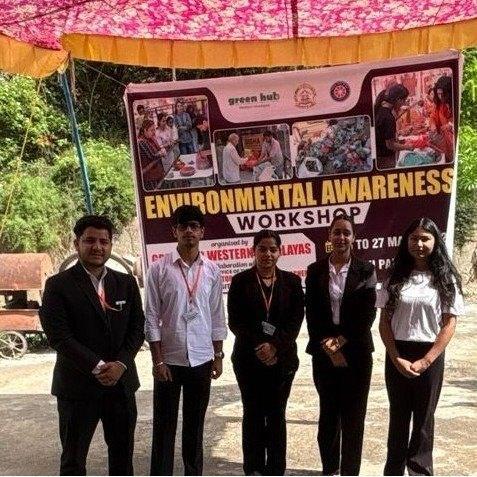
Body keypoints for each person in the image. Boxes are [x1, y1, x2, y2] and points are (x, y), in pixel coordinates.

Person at [39, 215, 145, 475]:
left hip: (120, 385)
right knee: (73, 460)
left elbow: (137, 329)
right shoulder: (58, 286)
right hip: (77, 387)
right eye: (90, 240)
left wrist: (120, 364)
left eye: (103, 241)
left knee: (122, 459)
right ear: (77, 243)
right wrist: (98, 366)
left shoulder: (126, 283)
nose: (97, 247)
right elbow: (59, 337)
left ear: (110, 245)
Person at [377, 217, 464, 476]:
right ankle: (393, 470)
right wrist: (396, 357)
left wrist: (427, 360)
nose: (419, 244)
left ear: (436, 242)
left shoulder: (446, 279)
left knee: (424, 419)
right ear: (406, 242)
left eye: (425, 238)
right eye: (414, 238)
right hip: (398, 354)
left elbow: (449, 324)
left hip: (430, 355)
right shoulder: (394, 277)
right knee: (398, 417)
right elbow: (384, 323)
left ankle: (420, 471)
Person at [145, 205, 227, 475]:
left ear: (202, 232)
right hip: (169, 361)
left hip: (202, 359)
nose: (189, 231)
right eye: (183, 226)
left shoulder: (212, 270)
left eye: (194, 226)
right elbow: (151, 317)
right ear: (175, 231)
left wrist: (218, 356)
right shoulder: (159, 269)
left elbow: (217, 316)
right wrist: (157, 361)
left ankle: (193, 472)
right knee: (164, 425)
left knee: (195, 425)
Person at [228, 230, 304, 476]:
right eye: (262, 249)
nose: (267, 254)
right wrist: (260, 346)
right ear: (254, 251)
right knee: (252, 413)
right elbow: (235, 322)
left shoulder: (292, 282)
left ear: (280, 252)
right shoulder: (240, 281)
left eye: (273, 249)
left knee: (276, 414)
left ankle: (275, 469)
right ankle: (253, 469)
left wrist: (275, 347)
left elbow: (295, 322)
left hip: (282, 361)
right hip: (248, 359)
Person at [305, 214, 377, 476]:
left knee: (354, 418)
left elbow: (367, 313)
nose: (341, 237)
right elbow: (312, 313)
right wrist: (329, 346)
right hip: (323, 353)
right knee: (328, 415)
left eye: (346, 232)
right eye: (337, 232)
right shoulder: (315, 271)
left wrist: (341, 343)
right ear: (329, 236)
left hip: (357, 352)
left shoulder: (366, 270)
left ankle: (349, 471)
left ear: (353, 237)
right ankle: (330, 469)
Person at [375, 84, 414, 169]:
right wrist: (407, 147)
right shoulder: (388, 117)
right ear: (398, 100)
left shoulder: (380, 109)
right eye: (404, 101)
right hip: (385, 158)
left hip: (379, 155)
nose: (404, 104)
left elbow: (383, 132)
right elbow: (390, 145)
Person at [429, 76, 454, 162]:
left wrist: (451, 125)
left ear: (450, 92)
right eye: (438, 94)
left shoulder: (456, 102)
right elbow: (433, 116)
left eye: (443, 94)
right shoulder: (439, 104)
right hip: (446, 143)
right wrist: (432, 124)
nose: (441, 97)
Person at [138, 119, 166, 191]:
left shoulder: (151, 138)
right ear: (145, 130)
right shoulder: (141, 142)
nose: (154, 132)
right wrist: (161, 153)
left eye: (154, 130)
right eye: (152, 130)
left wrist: (161, 151)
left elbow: (159, 149)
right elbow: (152, 156)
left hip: (157, 172)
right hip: (150, 176)